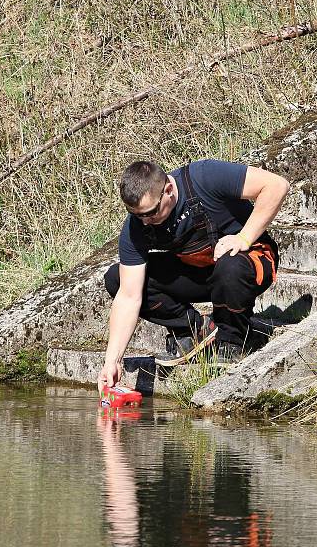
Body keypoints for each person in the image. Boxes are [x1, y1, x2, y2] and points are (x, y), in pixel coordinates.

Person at [97, 159, 289, 391]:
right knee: (116, 278)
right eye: (137, 215)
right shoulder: (137, 226)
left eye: (151, 212)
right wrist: (112, 361)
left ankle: (234, 340)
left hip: (250, 261)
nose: (146, 221)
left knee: (229, 265)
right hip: (202, 272)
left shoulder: (204, 176)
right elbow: (129, 297)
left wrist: (243, 238)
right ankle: (194, 329)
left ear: (168, 190)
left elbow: (277, 185)